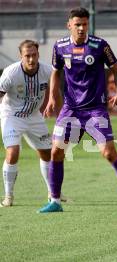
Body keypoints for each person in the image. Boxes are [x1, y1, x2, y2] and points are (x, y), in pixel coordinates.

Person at [38, 7, 117, 213]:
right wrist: (51, 97)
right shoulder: (59, 46)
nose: (81, 28)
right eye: (77, 24)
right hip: (71, 109)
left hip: (95, 109)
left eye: (84, 24)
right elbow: (55, 73)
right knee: (56, 152)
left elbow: (116, 69)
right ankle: (55, 201)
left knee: (108, 153)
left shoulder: (100, 45)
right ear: (69, 25)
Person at [0, 40, 66, 207]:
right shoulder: (10, 73)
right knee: (13, 152)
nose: (31, 59)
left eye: (34, 55)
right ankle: (8, 196)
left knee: (47, 154)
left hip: (34, 116)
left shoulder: (47, 71)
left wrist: (61, 118)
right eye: (27, 56)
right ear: (21, 56)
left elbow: (56, 93)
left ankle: (52, 192)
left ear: (38, 54)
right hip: (11, 115)